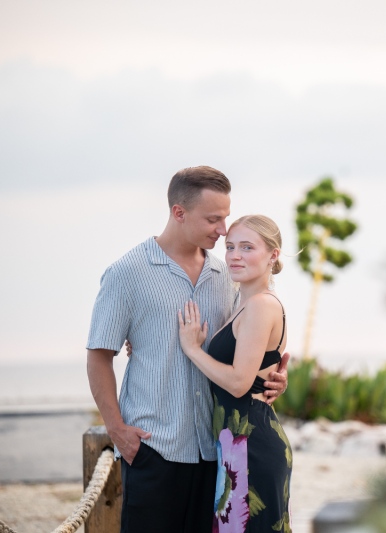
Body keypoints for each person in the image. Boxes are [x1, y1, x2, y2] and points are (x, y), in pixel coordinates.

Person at [86, 166, 288, 533]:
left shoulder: (226, 276)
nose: (223, 229)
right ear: (179, 212)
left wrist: (271, 376)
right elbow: (99, 355)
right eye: (214, 219)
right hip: (154, 448)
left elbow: (245, 346)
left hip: (215, 453)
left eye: (226, 218)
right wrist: (117, 430)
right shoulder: (127, 273)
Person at [178, 214, 292, 533]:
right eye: (229, 247)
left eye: (247, 247)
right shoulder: (243, 304)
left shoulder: (262, 306)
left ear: (273, 254)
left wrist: (193, 350)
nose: (235, 256)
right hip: (236, 447)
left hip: (252, 448)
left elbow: (240, 384)